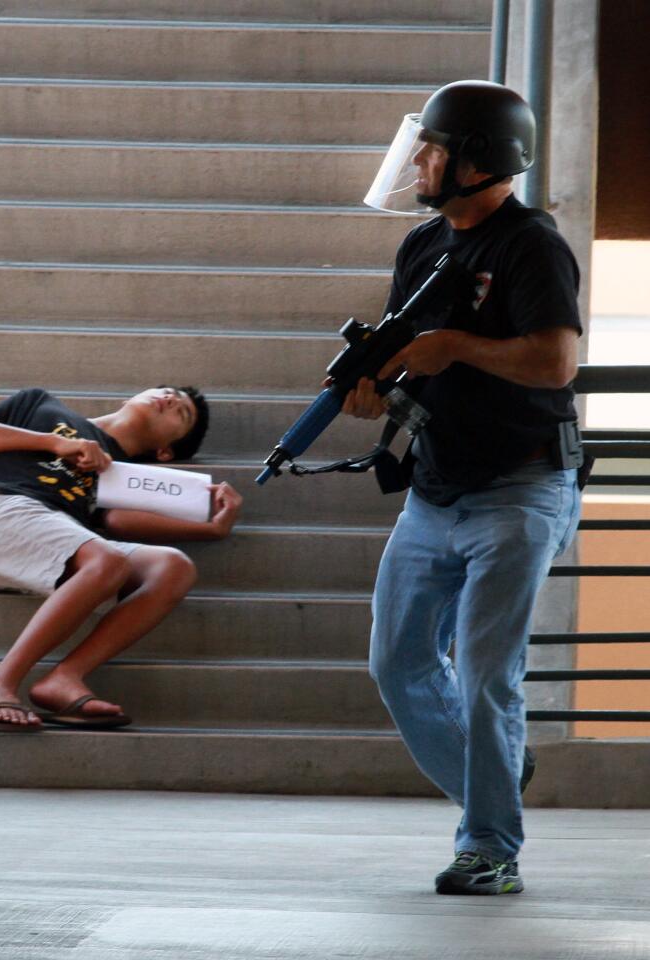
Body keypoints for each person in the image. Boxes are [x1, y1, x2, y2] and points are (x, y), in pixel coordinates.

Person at [345, 81, 583, 894]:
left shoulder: (531, 245)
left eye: (435, 148)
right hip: (435, 487)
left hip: (520, 489)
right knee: (398, 662)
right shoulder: (423, 244)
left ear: (477, 160)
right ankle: (497, 779)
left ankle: (489, 847)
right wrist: (375, 385)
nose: (419, 160)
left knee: (486, 674)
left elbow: (555, 365)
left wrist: (455, 346)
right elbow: (409, 353)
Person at [0, 385, 242, 732]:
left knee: (173, 567)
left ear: (165, 452)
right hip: (0, 512)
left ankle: (64, 678)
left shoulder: (133, 474)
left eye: (182, 412)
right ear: (126, 397)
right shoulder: (41, 406)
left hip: (62, 537)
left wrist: (212, 529)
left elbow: (115, 521)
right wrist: (55, 442)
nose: (171, 399)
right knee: (108, 560)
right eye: (167, 391)